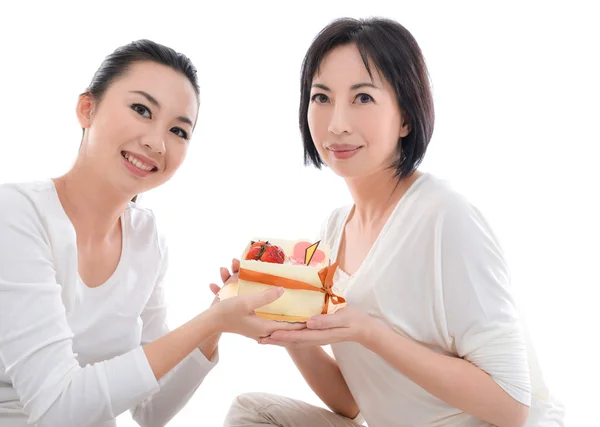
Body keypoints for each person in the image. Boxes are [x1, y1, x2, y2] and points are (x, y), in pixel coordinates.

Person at [221, 17, 566, 427]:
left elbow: (512, 407)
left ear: (405, 117)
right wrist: (286, 326)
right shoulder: (333, 232)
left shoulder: (444, 216)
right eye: (321, 97)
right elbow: (352, 404)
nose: (337, 124)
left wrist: (370, 332)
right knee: (253, 413)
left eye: (362, 98)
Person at [0, 39, 303, 427]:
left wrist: (215, 326)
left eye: (179, 130)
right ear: (86, 109)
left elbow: (150, 410)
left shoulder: (146, 239)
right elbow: (59, 408)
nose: (156, 142)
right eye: (141, 110)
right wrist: (206, 324)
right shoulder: (18, 214)